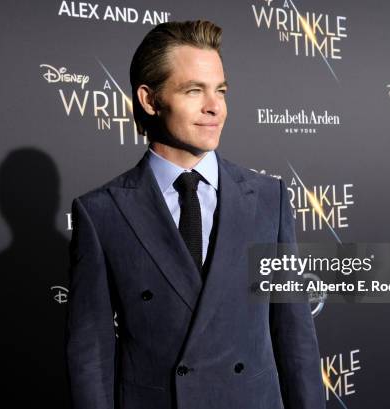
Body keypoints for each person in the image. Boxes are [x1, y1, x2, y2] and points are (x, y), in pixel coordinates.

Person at [67, 20, 325, 409]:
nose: (214, 107)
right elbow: (91, 353)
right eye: (194, 91)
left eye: (220, 90)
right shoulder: (102, 212)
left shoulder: (268, 198)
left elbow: (295, 337)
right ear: (150, 100)